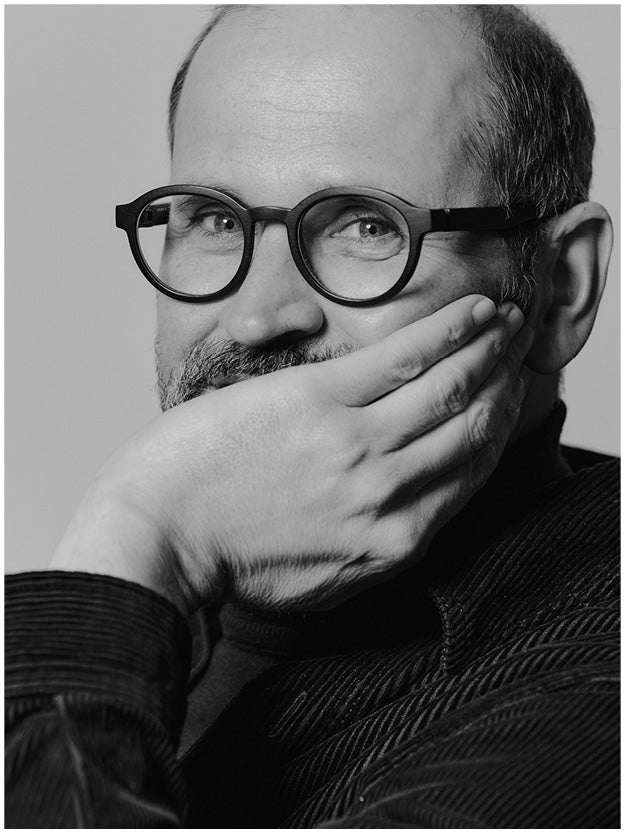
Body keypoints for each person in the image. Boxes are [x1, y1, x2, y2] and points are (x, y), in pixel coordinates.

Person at [5, 4, 619, 828]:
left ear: (558, 290)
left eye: (365, 226)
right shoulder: (130, 616)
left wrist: (139, 530)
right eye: (215, 220)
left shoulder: (594, 694)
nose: (256, 316)